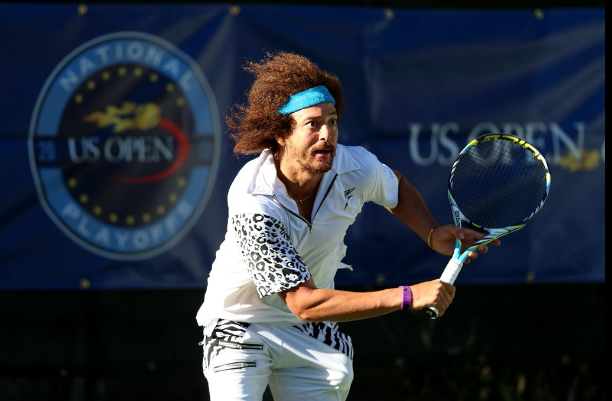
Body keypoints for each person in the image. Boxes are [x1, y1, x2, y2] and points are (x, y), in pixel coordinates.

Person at [196, 51, 499, 401]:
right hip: (240, 326)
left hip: (311, 333)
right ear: (281, 133)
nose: (327, 134)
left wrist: (431, 234)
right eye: (313, 124)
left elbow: (395, 187)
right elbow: (304, 302)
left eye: (333, 122)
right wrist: (408, 295)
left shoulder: (353, 166)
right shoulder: (254, 202)